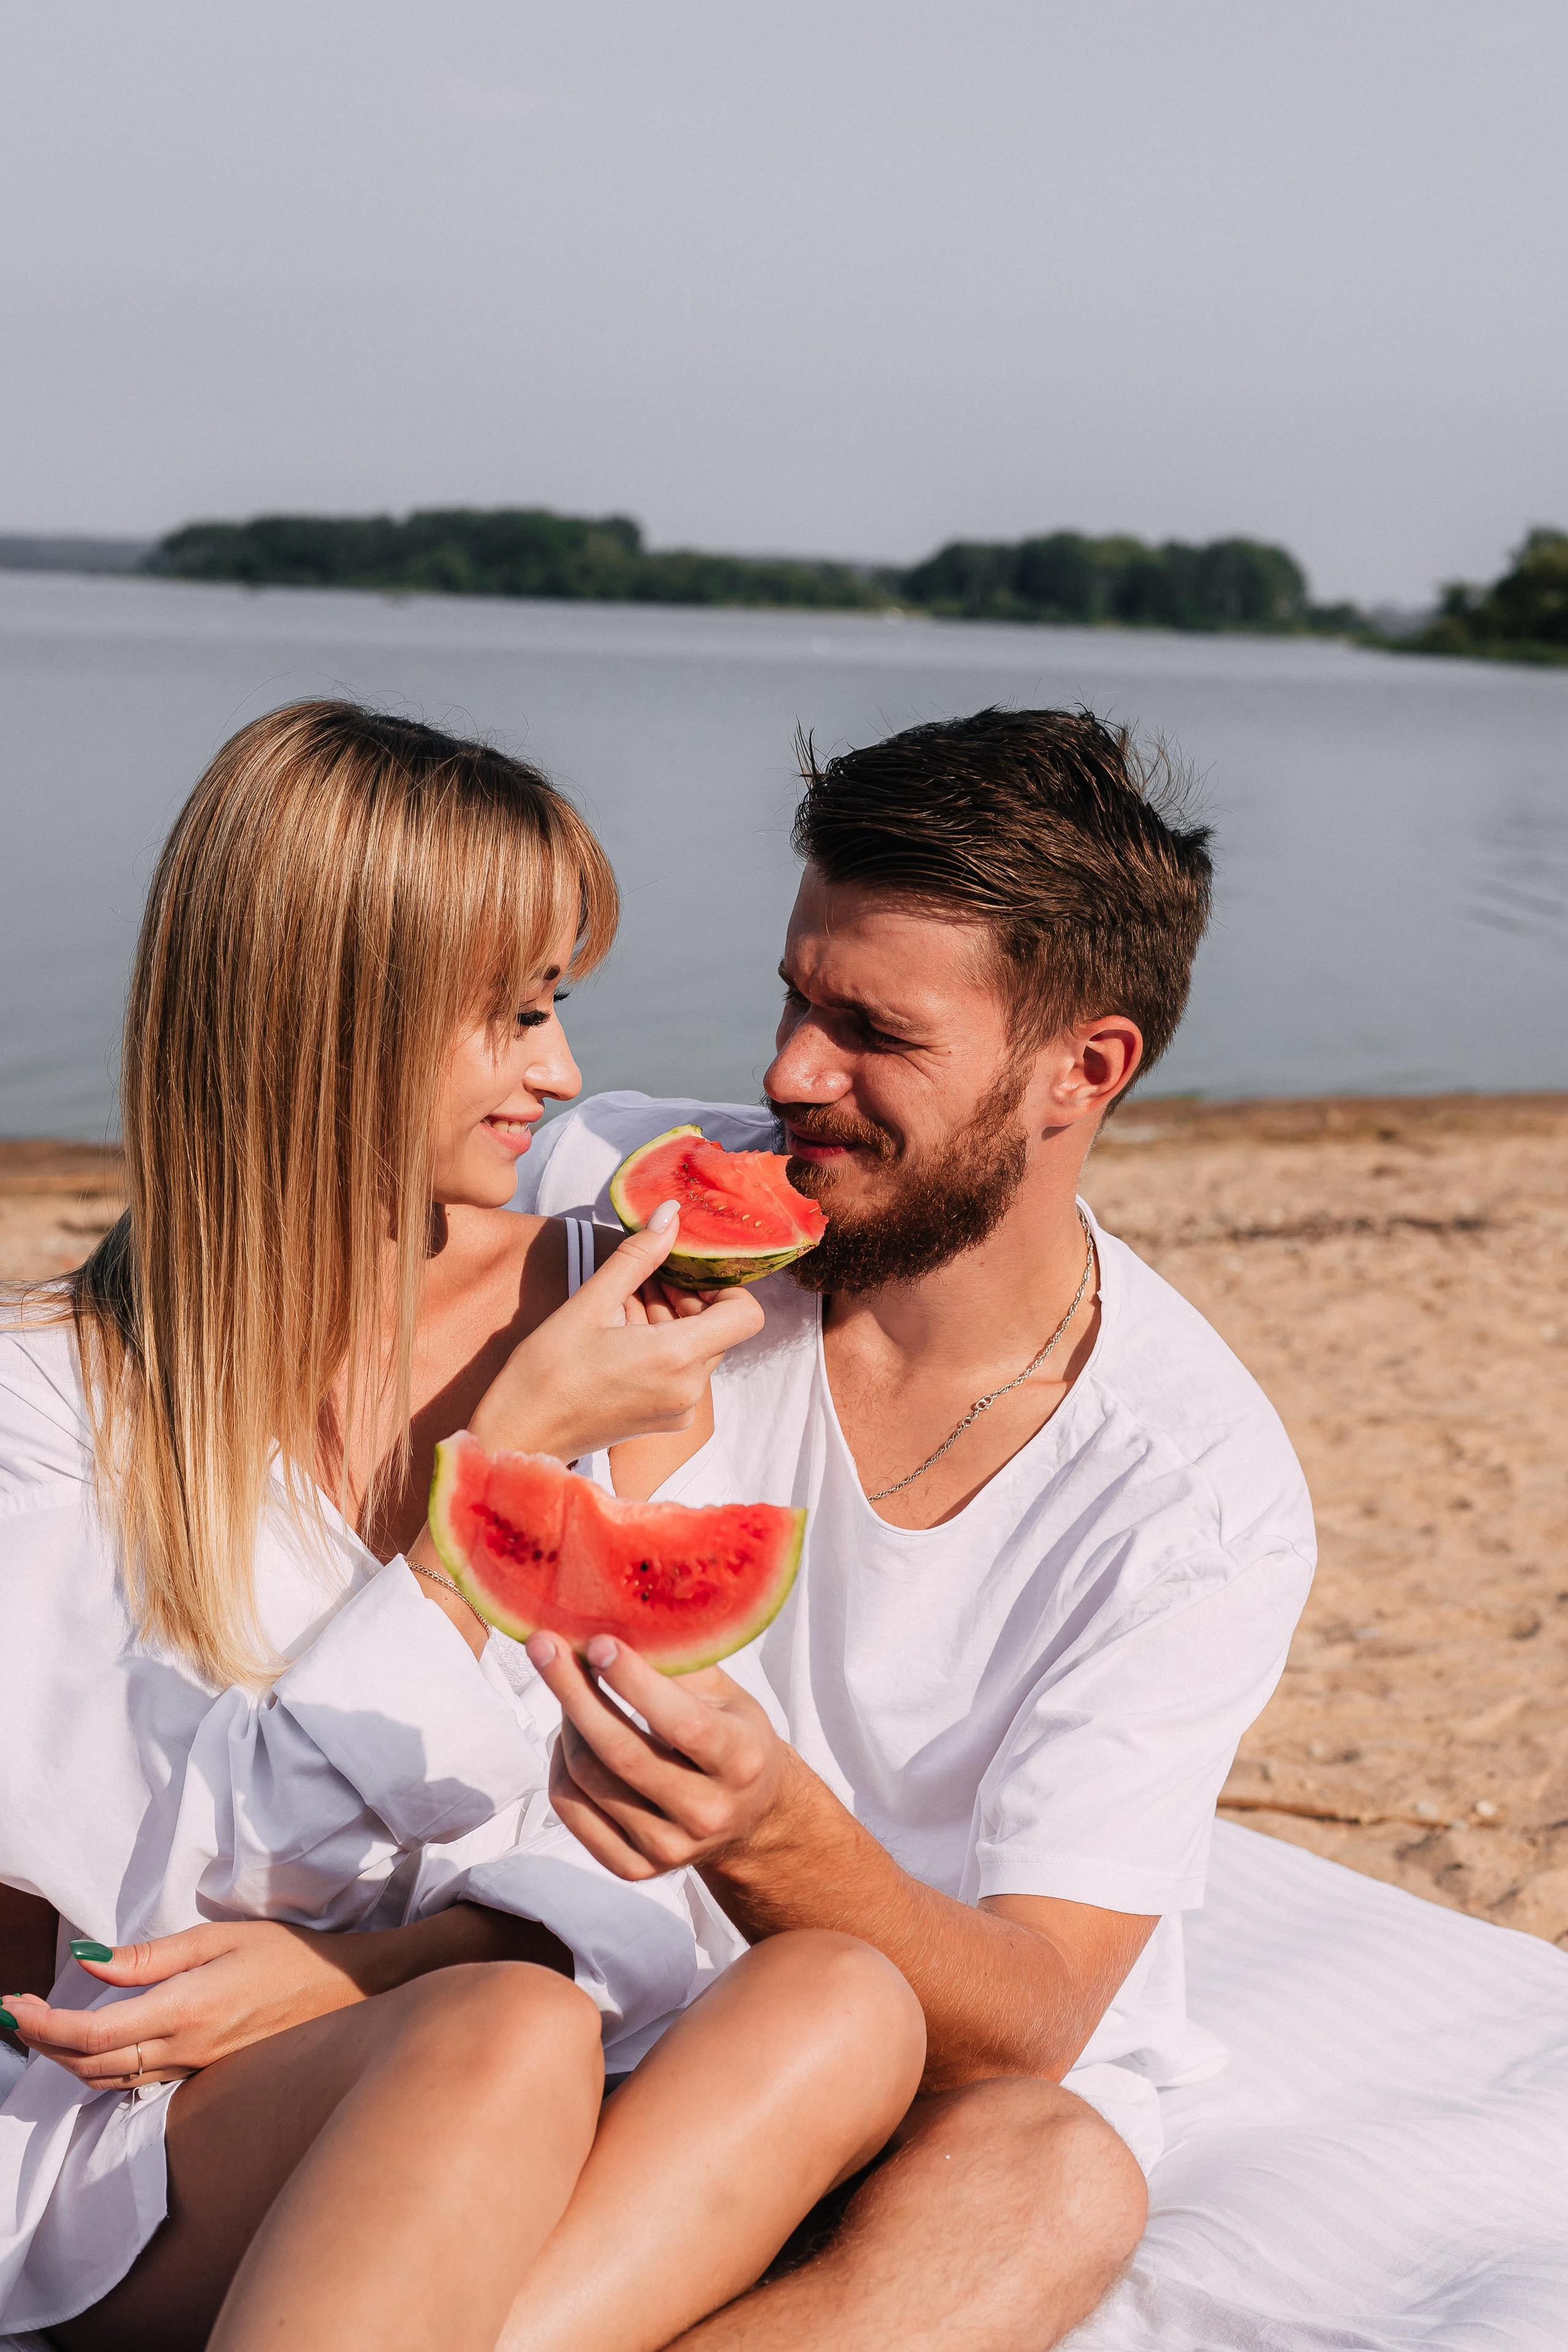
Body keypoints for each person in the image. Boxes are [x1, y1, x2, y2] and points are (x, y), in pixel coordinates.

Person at [0, 703, 925, 2352]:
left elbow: (643, 1855)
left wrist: (378, 1967)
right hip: (136, 2139)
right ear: (328, 1022)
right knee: (498, 2031)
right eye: (509, 1018)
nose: (563, 1078)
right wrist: (486, 1496)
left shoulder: (586, 1310)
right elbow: (150, 1910)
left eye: (557, 1006)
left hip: (477, 2036)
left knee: (843, 1999)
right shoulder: (49, 1405)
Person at [519, 706, 1317, 2351]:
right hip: (546, 1999)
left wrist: (763, 1826)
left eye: (873, 1032)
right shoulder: (609, 1202)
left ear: (1082, 1072)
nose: (790, 1075)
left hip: (928, 2081)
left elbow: (1029, 2016)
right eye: (797, 1000)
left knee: (1061, 2181)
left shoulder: (1191, 1499)